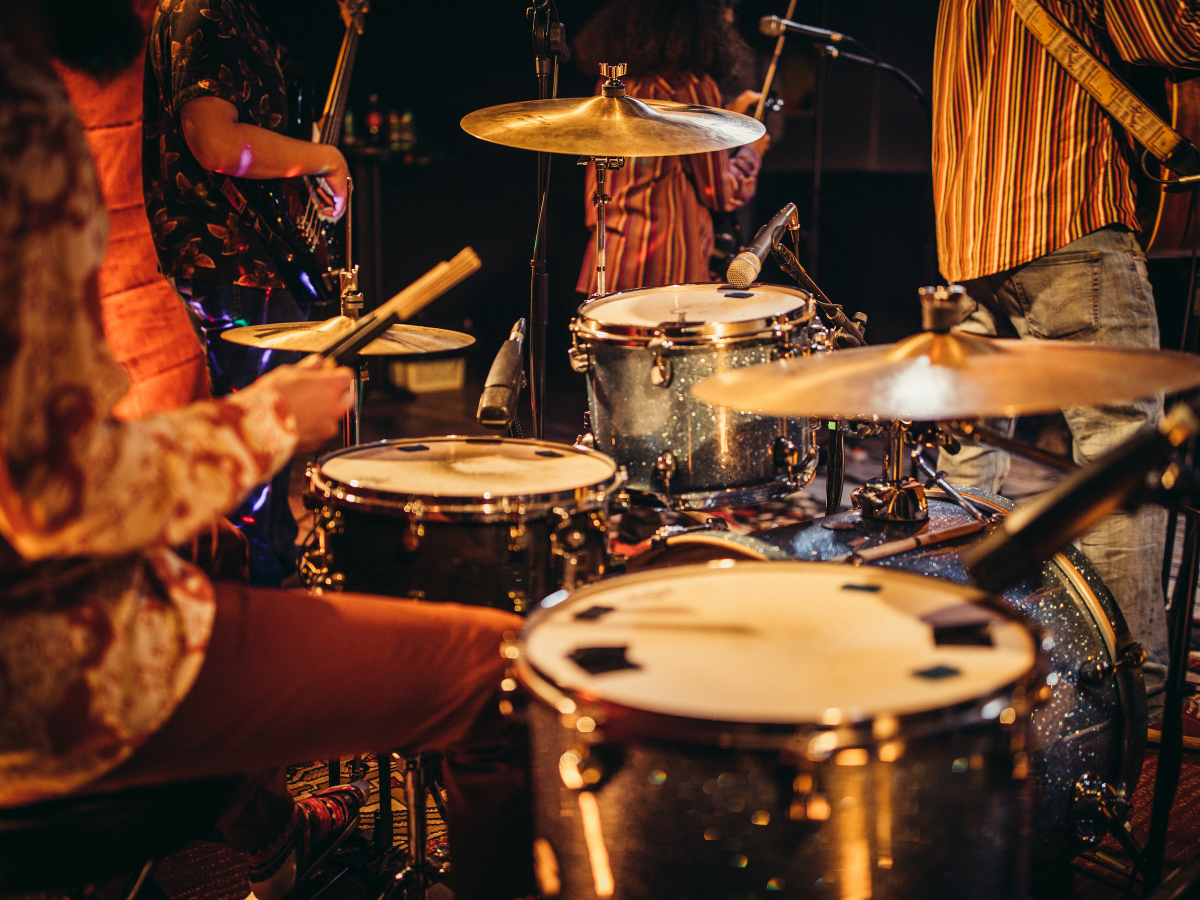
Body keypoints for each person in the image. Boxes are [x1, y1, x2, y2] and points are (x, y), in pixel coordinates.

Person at [0, 3, 534, 899]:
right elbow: (53, 491)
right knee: (502, 674)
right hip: (52, 675)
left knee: (231, 551)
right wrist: (267, 420)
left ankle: (267, 838)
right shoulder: (25, 128)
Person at [932, 0, 1200, 745]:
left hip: (968, 224)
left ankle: (953, 670)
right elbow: (1165, 33)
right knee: (1121, 458)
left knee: (965, 458)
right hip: (1060, 205)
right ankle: (1129, 698)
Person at [142, 0, 350, 585]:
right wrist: (324, 157)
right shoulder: (201, 10)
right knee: (245, 475)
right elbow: (213, 141)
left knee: (268, 475)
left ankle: (273, 591)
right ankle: (247, 612)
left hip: (254, 268)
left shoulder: (242, 17)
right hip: (224, 271)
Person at [573, 0, 769, 296]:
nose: (728, 18)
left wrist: (723, 115)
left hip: (609, 255)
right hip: (666, 262)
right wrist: (751, 151)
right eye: (722, 10)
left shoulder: (613, 85)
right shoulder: (692, 88)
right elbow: (718, 192)